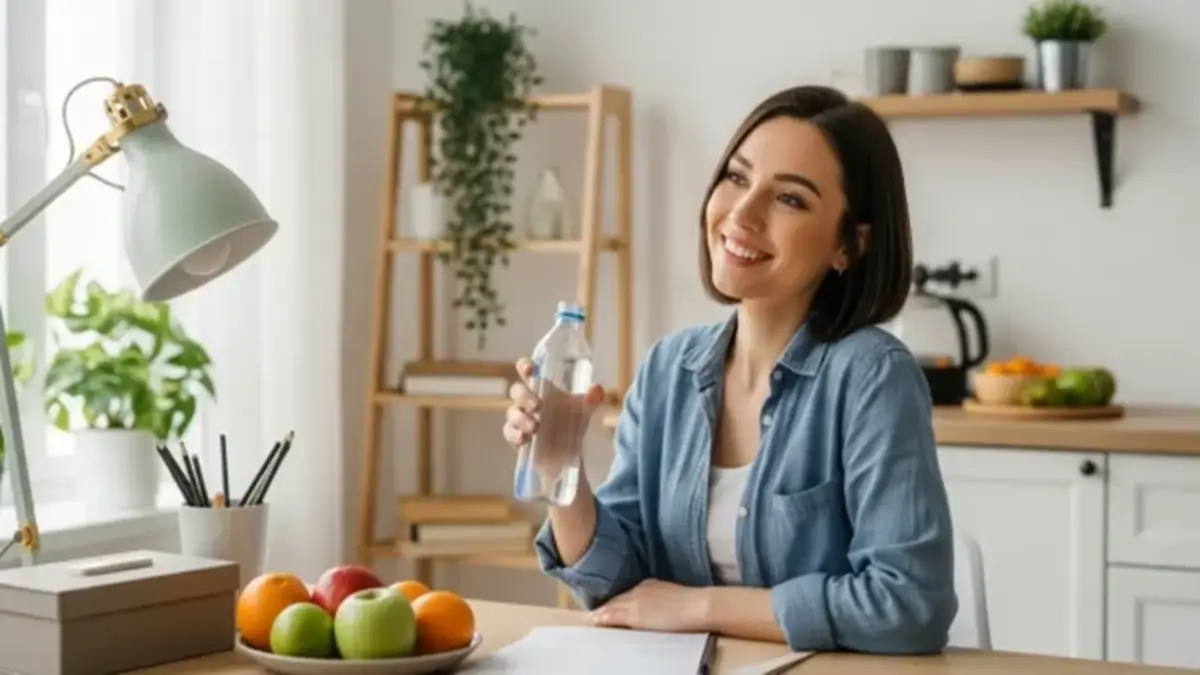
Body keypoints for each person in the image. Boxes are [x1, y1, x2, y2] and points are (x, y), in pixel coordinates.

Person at [501, 85, 957, 654]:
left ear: (850, 244)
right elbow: (619, 590)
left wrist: (700, 608)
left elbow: (909, 605)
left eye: (790, 199)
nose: (742, 214)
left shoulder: (872, 377)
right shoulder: (669, 366)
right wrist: (560, 466)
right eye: (737, 178)